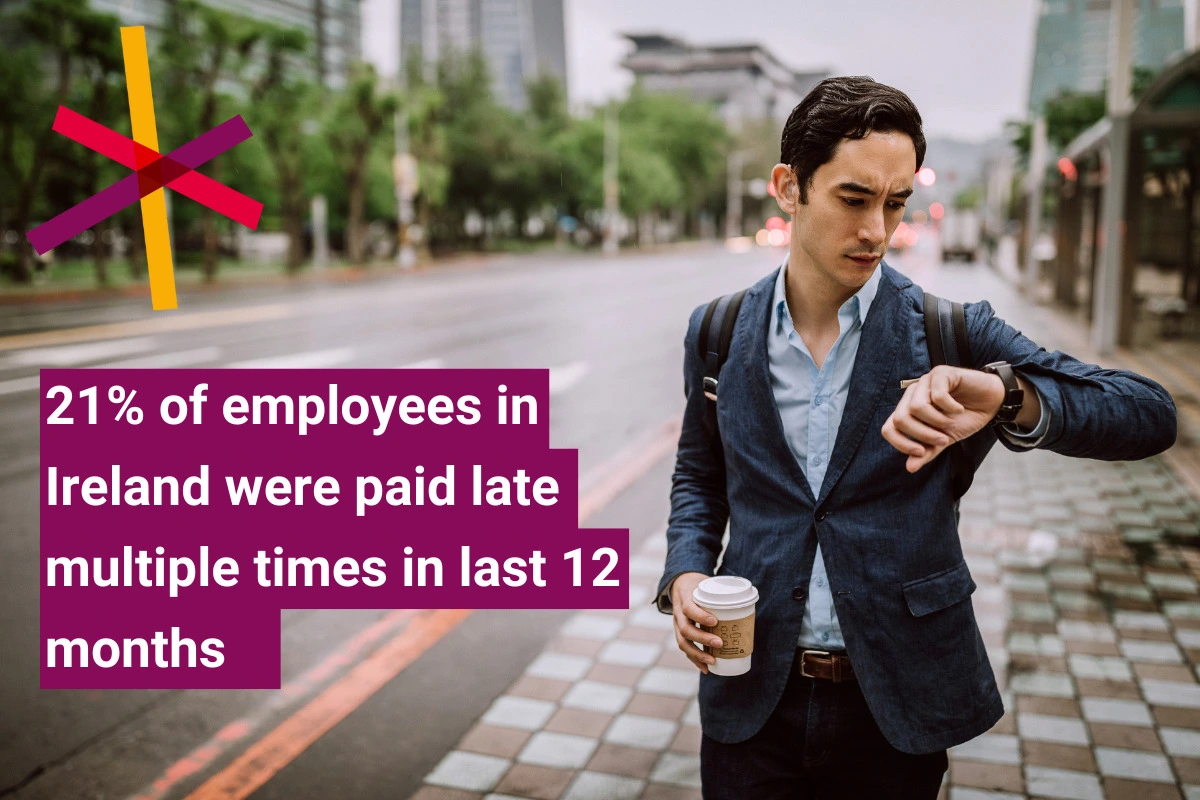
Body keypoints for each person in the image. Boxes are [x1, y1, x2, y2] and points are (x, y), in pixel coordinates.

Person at [654, 76, 1178, 799]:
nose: (878, 229)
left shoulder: (947, 332)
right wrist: (684, 573)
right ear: (788, 187)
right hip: (752, 699)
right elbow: (699, 478)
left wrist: (1004, 395)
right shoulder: (717, 331)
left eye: (895, 203)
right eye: (853, 198)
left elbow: (1147, 412)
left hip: (895, 703)